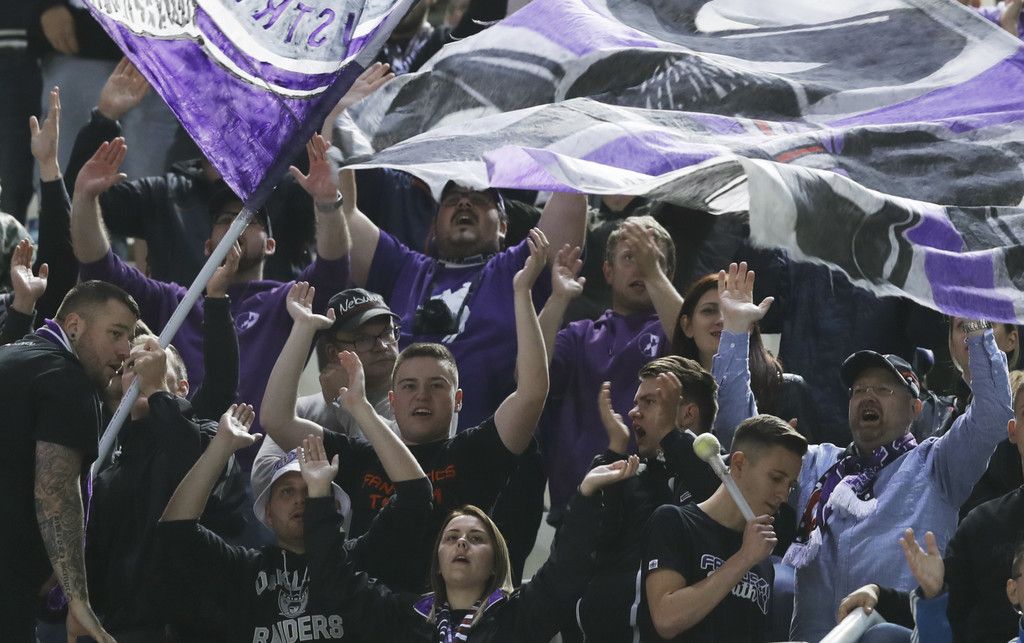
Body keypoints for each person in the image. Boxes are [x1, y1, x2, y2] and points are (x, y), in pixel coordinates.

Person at [714, 260, 1013, 642]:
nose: (867, 396)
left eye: (884, 389)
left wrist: (975, 324)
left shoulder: (938, 465)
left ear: (915, 408)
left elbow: (993, 413)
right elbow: (743, 438)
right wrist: (735, 332)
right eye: (859, 390)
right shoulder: (817, 463)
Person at [260, 229, 552, 587]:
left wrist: (522, 292)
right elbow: (276, 418)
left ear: (458, 400)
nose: (422, 396)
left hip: (441, 612)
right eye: (409, 386)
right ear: (393, 400)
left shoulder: (474, 453)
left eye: (437, 385)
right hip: (370, 611)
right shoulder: (361, 458)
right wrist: (303, 329)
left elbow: (532, 393)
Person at [70, 133, 350, 470]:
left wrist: (327, 202)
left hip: (261, 474)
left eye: (249, 220)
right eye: (224, 220)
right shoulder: (176, 302)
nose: (236, 225)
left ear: (271, 245)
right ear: (207, 246)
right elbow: (99, 268)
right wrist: (84, 197)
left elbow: (334, 267)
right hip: (178, 468)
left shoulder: (289, 301)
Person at [302, 436, 641, 642]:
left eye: (476, 538)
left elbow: (565, 573)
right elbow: (336, 581)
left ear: (496, 560)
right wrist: (318, 495)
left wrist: (585, 495)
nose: (461, 543)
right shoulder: (404, 617)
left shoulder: (518, 616)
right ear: (437, 560)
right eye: (451, 537)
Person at [158, 396, 433, 642]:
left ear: (335, 507)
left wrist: (362, 409)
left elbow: (416, 495)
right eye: (287, 491)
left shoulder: (359, 560)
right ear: (268, 512)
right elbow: (175, 531)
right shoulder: (243, 571)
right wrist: (220, 447)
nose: (300, 500)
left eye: (312, 489)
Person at [341, 165, 586, 432]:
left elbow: (570, 184)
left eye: (479, 198)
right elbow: (343, 213)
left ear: (503, 226)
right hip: (397, 445)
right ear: (434, 226)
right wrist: (329, 151)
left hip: (493, 446)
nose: (464, 203)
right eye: (451, 200)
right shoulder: (405, 268)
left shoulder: (523, 267)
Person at [0, 280, 139, 643]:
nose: (126, 350)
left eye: (130, 337)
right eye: (116, 333)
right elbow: (56, 491)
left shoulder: (14, 354)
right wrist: (78, 599)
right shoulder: (66, 378)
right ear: (74, 326)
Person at [838, 373, 1024, 643]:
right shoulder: (983, 525)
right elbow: (944, 609)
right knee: (882, 636)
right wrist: (880, 594)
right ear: (1013, 430)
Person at [565, 356, 721, 643]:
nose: (633, 412)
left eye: (650, 402)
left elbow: (719, 506)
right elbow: (585, 546)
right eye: (637, 402)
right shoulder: (632, 474)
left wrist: (669, 435)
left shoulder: (722, 472)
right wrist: (614, 452)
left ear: (687, 414)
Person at [538, 217, 678, 522]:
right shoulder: (580, 334)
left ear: (667, 274)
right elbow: (529, 375)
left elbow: (689, 342)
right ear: (608, 271)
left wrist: (653, 273)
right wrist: (557, 298)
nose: (641, 268)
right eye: (630, 257)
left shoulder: (670, 330)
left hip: (651, 507)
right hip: (578, 503)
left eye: (652, 259)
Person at [642, 414, 807, 642]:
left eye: (790, 486)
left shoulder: (762, 562)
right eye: (776, 478)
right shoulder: (673, 522)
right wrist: (743, 559)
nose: (783, 496)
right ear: (738, 464)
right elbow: (666, 619)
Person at [667, 269, 818, 441]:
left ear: (750, 326)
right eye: (709, 311)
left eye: (732, 312)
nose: (722, 319)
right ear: (687, 326)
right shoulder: (669, 394)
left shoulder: (787, 390)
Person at [302, 287, 401, 438]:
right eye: (363, 339)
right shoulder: (310, 408)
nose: (382, 346)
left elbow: (388, 451)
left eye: (387, 333)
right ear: (333, 353)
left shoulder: (415, 398)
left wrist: (342, 404)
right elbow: (275, 425)